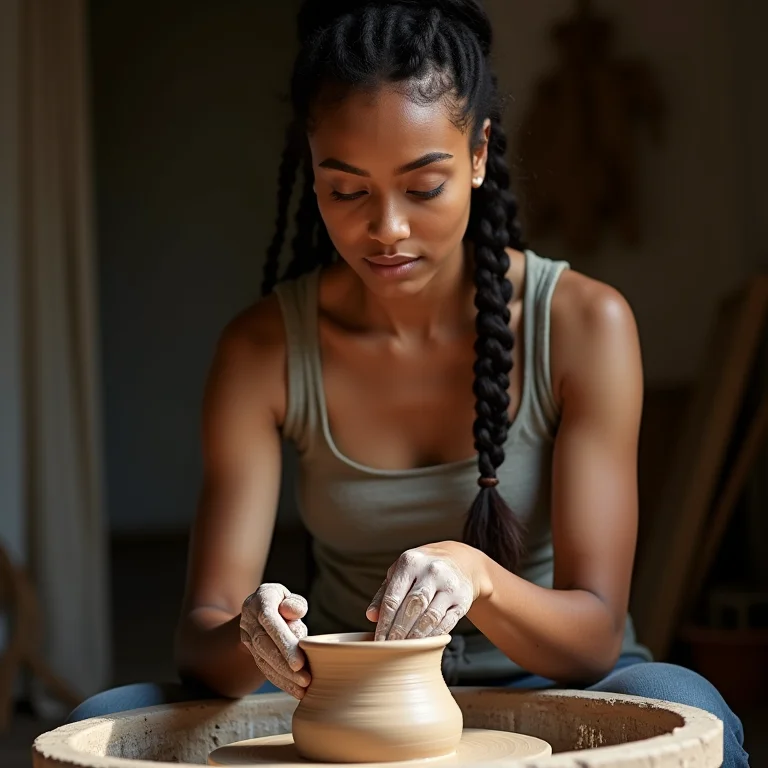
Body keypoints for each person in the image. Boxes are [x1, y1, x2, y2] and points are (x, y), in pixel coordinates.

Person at [67, 1, 747, 764]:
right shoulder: (261, 349)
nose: (386, 229)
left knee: (695, 711)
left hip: (549, 684)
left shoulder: (586, 324)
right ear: (312, 167)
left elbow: (592, 639)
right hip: (342, 685)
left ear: (480, 154)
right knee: (105, 719)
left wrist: (476, 576)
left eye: (423, 187)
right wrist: (250, 632)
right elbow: (204, 638)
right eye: (347, 190)